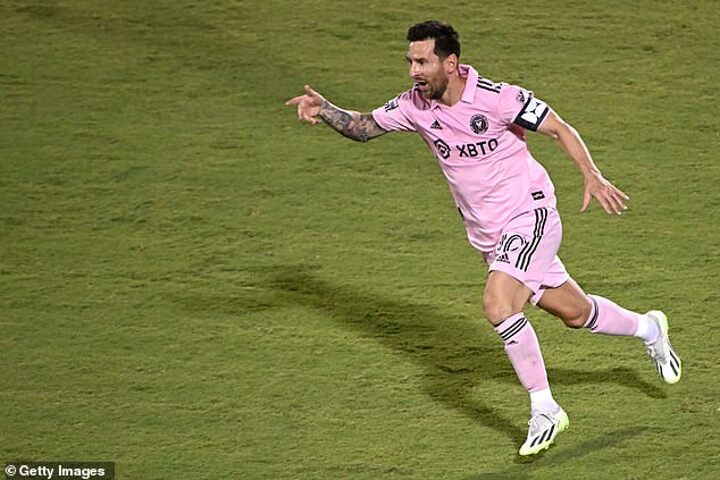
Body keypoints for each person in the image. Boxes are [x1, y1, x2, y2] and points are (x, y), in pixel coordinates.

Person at [285, 20, 682, 456]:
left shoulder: (498, 98)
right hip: (489, 237)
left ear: (450, 63)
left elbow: (558, 128)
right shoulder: (414, 106)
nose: (414, 71)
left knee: (497, 304)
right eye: (410, 62)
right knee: (574, 312)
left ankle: (545, 408)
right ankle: (649, 328)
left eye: (422, 61)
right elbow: (363, 126)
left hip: (530, 215)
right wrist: (324, 110)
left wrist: (592, 174)